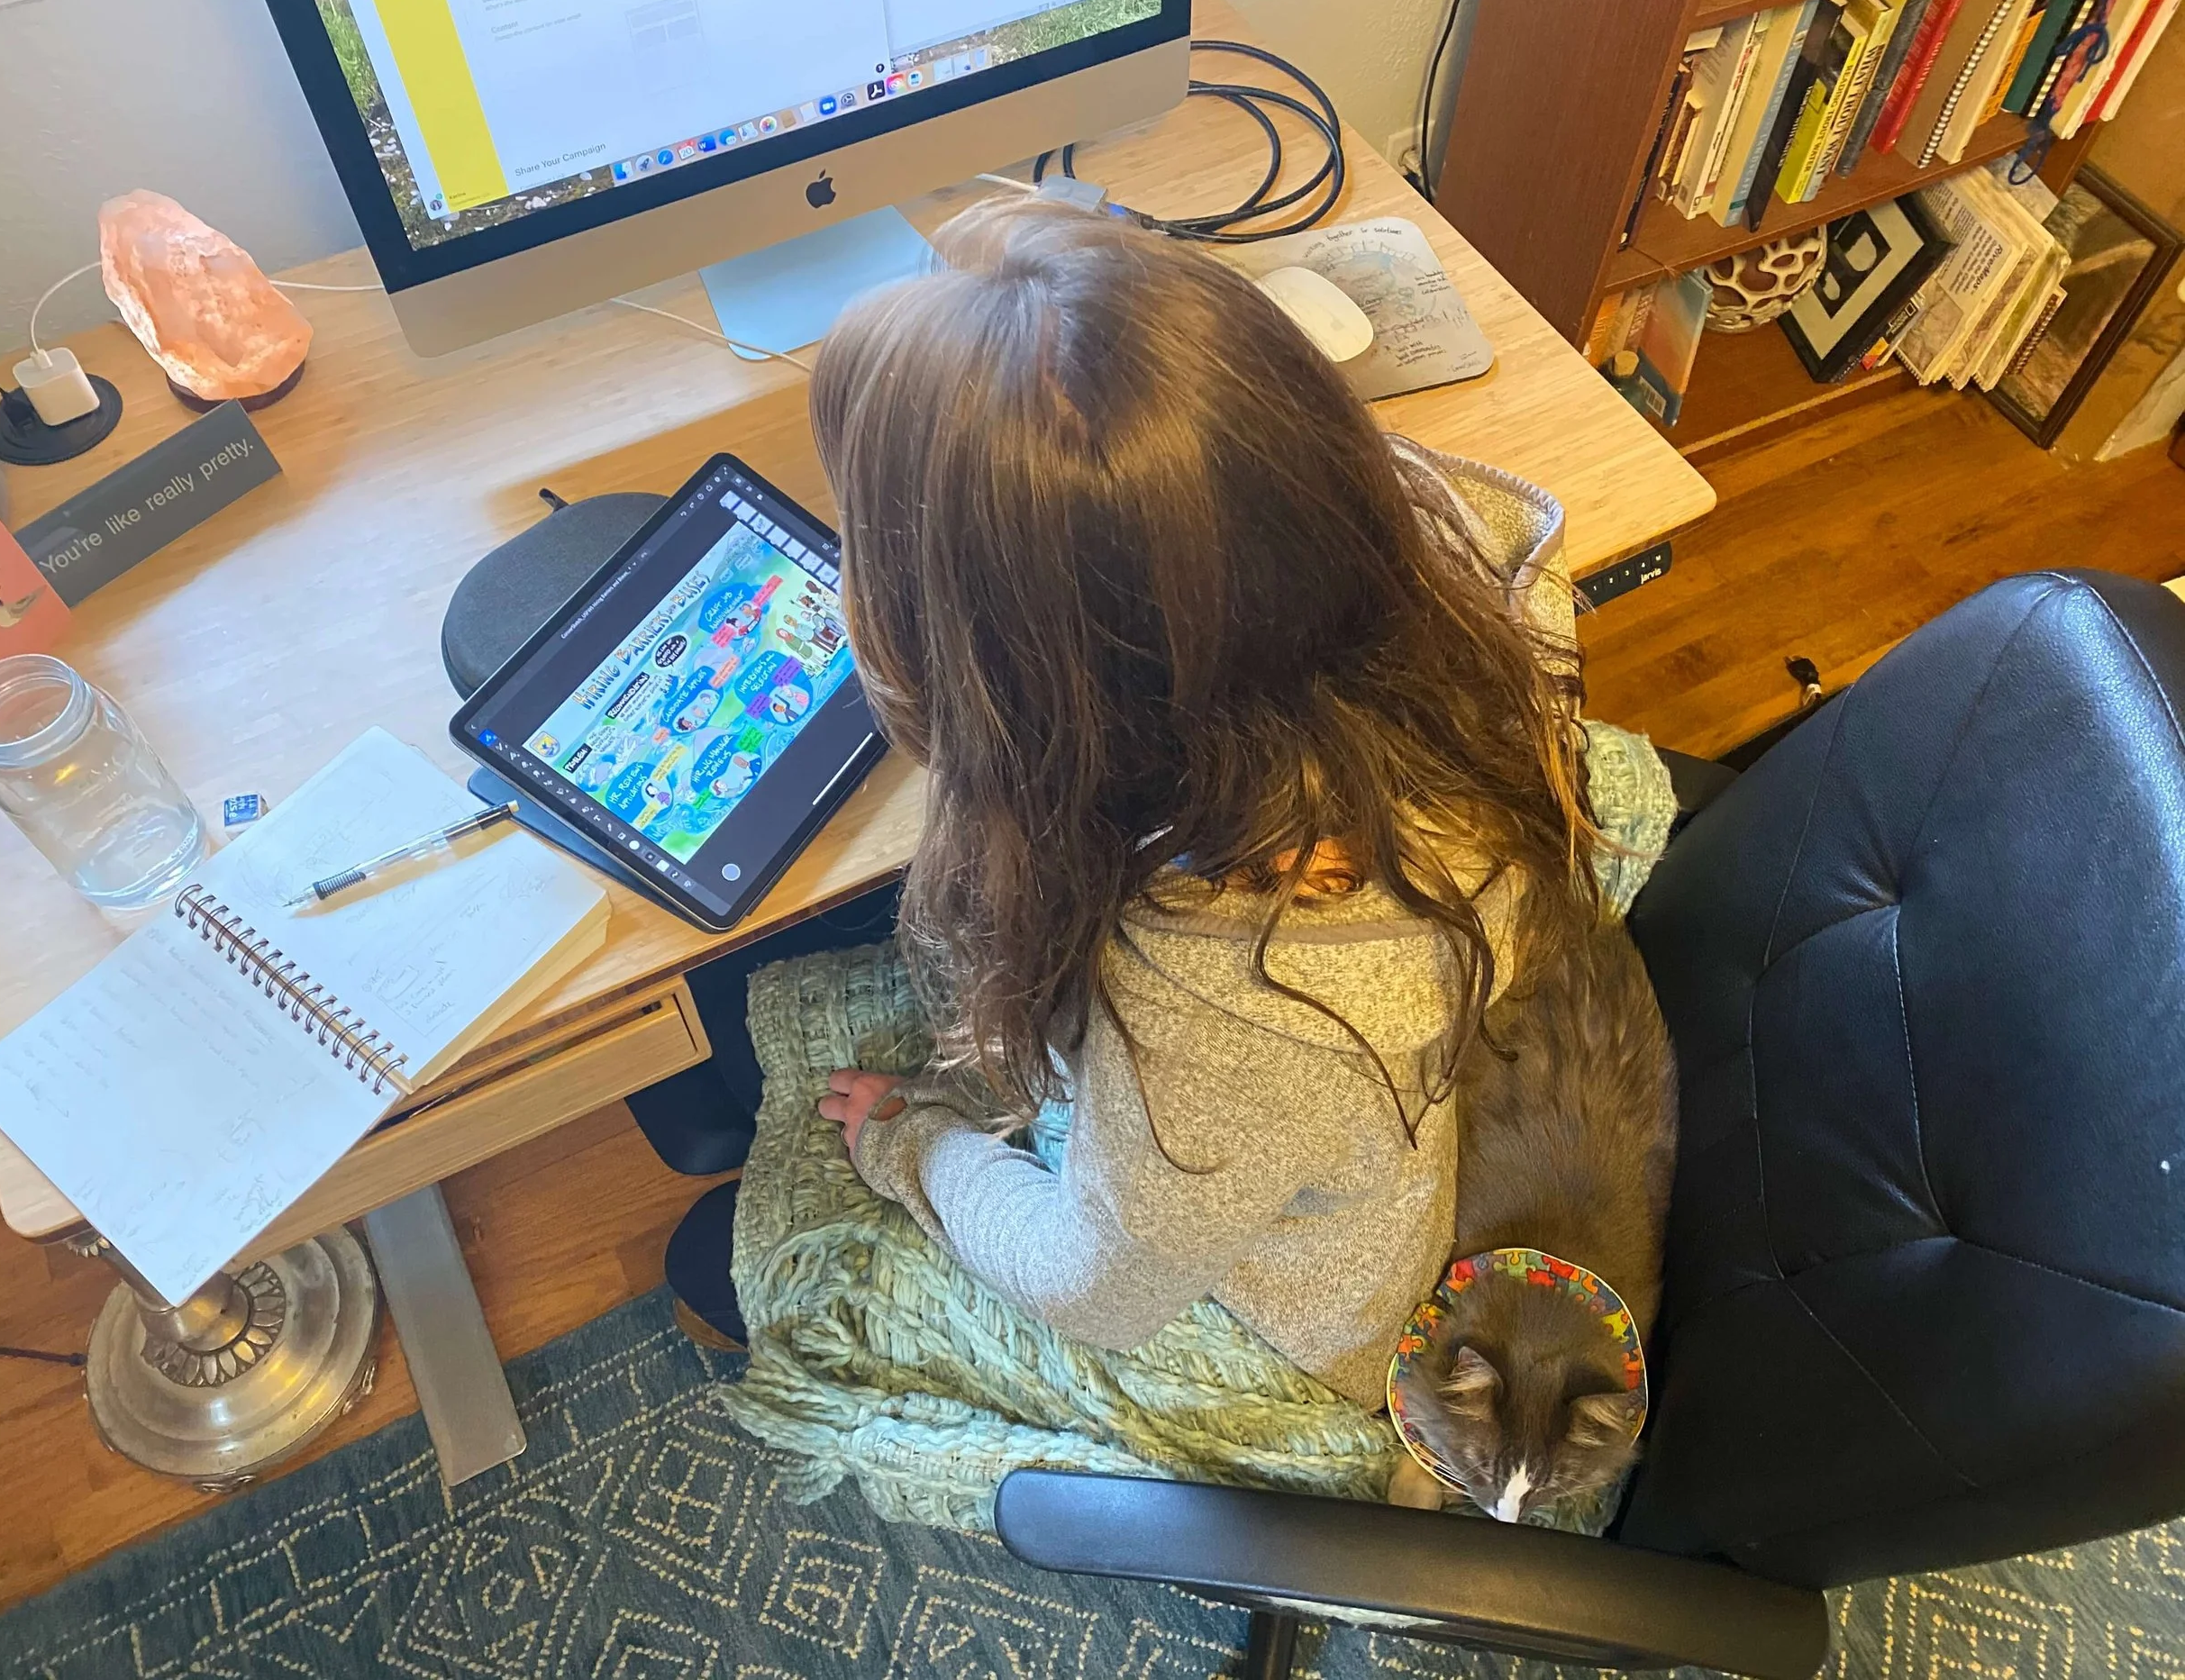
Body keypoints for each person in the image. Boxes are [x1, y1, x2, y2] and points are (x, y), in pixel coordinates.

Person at [638, 199, 1604, 1407]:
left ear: (1049, 693)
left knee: (718, 1250)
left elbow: (1094, 1288)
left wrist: (910, 1145)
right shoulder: (1445, 586)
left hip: (1275, 1310)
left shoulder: (1228, 1016)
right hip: (1276, 1137)